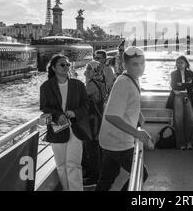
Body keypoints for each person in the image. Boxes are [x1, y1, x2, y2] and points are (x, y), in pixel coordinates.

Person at [96, 46, 152, 191]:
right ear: (124, 65)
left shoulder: (133, 79)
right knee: (140, 175)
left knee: (107, 178)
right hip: (118, 141)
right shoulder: (123, 83)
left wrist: (138, 114)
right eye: (135, 64)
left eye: (142, 63)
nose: (140, 67)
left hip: (110, 139)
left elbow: (127, 104)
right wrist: (137, 133)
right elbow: (112, 115)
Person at [40, 54, 91, 191]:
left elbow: (86, 105)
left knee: (73, 164)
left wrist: (75, 113)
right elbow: (44, 107)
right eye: (62, 64)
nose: (66, 67)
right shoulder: (46, 87)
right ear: (53, 68)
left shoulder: (78, 85)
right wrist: (58, 116)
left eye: (67, 64)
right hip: (57, 129)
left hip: (75, 128)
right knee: (61, 165)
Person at [82, 60, 107, 186]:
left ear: (95, 71)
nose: (86, 71)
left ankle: (94, 177)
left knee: (91, 148)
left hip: (93, 121)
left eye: (88, 69)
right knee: (96, 148)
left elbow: (79, 98)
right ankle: (94, 173)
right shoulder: (101, 82)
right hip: (98, 118)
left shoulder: (92, 84)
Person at [166, 56, 193, 150]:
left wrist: (182, 85)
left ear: (186, 63)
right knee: (178, 120)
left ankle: (190, 142)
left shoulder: (190, 73)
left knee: (190, 119)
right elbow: (173, 85)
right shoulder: (173, 74)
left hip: (187, 96)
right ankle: (181, 143)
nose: (180, 64)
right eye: (178, 62)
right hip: (177, 96)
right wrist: (185, 85)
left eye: (181, 62)